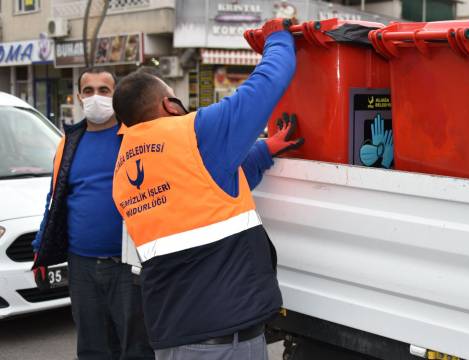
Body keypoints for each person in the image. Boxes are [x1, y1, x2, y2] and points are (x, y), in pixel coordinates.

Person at [110, 19, 298, 359]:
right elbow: (267, 83)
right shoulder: (193, 133)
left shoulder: (125, 168)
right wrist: (278, 37)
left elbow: (208, 189)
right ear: (169, 105)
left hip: (175, 335)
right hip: (222, 342)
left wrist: (265, 151)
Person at [31, 68, 155, 359]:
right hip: (81, 266)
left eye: (104, 90)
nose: (96, 97)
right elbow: (55, 198)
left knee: (137, 349)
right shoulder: (69, 142)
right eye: (89, 91)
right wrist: (40, 249)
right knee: (92, 349)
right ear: (78, 96)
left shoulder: (135, 138)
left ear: (116, 96)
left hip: (129, 267)